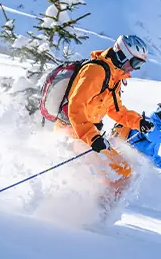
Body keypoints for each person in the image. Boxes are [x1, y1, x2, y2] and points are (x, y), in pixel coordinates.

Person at [54, 34, 155, 199]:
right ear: (123, 55)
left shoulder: (113, 77)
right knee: (118, 172)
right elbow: (75, 107)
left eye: (140, 64)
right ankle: (92, 213)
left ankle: (97, 211)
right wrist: (92, 137)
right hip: (73, 132)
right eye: (135, 62)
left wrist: (139, 122)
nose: (135, 69)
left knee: (123, 172)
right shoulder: (95, 71)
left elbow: (116, 110)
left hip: (88, 135)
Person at [116, 102, 161, 172]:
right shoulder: (147, 123)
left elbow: (152, 158)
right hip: (125, 158)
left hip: (134, 166)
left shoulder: (157, 132)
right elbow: (154, 137)